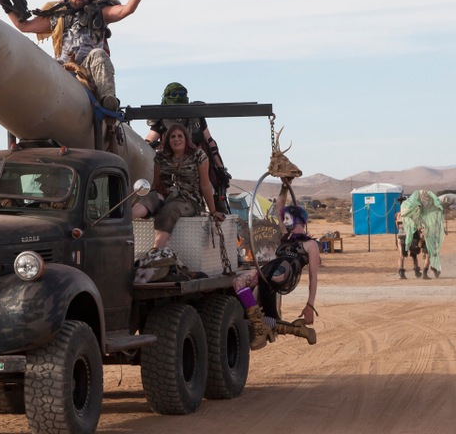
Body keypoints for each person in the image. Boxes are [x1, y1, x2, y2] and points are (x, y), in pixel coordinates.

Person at [0, 0, 148, 115]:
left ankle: (108, 100)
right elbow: (24, 26)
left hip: (89, 66)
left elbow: (126, 10)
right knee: (42, 64)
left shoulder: (99, 12)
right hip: (63, 66)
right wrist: (6, 6)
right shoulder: (58, 16)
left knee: (99, 54)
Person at [232, 179, 320, 349]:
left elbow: (313, 277)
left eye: (287, 219)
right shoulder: (285, 236)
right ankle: (297, 330)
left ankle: (261, 328)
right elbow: (279, 204)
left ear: (297, 219)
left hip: (282, 274)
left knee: (247, 288)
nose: (284, 222)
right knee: (246, 296)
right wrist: (284, 184)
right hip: (270, 271)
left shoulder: (311, 245)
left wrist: (310, 305)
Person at [131, 123, 225, 258]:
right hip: (165, 194)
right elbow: (156, 183)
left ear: (186, 139)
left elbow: (205, 185)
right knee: (148, 201)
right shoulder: (161, 157)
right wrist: (151, 198)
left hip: (189, 200)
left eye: (180, 136)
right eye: (173, 137)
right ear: (168, 140)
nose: (176, 139)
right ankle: (117, 226)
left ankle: (155, 253)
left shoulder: (199, 156)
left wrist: (213, 210)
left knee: (170, 209)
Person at [145, 82, 232, 212]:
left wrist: (220, 168)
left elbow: (210, 142)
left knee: (214, 187)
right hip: (172, 166)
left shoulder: (195, 116)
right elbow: (148, 141)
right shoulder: (162, 119)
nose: (178, 97)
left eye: (181, 94)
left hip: (198, 163)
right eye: (174, 94)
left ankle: (216, 207)